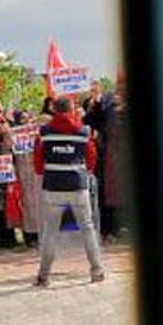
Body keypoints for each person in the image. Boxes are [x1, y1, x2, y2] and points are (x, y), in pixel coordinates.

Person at [33, 96, 105, 286]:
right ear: (72, 109)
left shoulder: (44, 132)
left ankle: (44, 275)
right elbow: (91, 157)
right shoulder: (83, 131)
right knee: (87, 228)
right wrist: (83, 171)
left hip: (53, 185)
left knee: (51, 231)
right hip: (77, 184)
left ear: (54, 110)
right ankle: (97, 271)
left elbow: (38, 165)